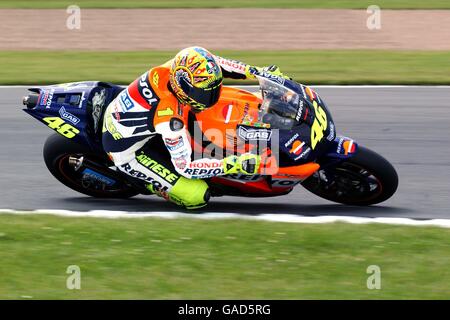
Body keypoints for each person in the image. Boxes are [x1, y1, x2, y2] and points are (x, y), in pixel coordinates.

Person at [102, 46, 289, 209]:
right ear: (184, 89)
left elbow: (221, 64)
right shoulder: (169, 118)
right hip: (127, 151)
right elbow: (186, 168)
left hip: (135, 116)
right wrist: (235, 164)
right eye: (205, 94)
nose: (212, 96)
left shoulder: (183, 65)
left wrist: (260, 73)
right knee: (196, 196)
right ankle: (147, 183)